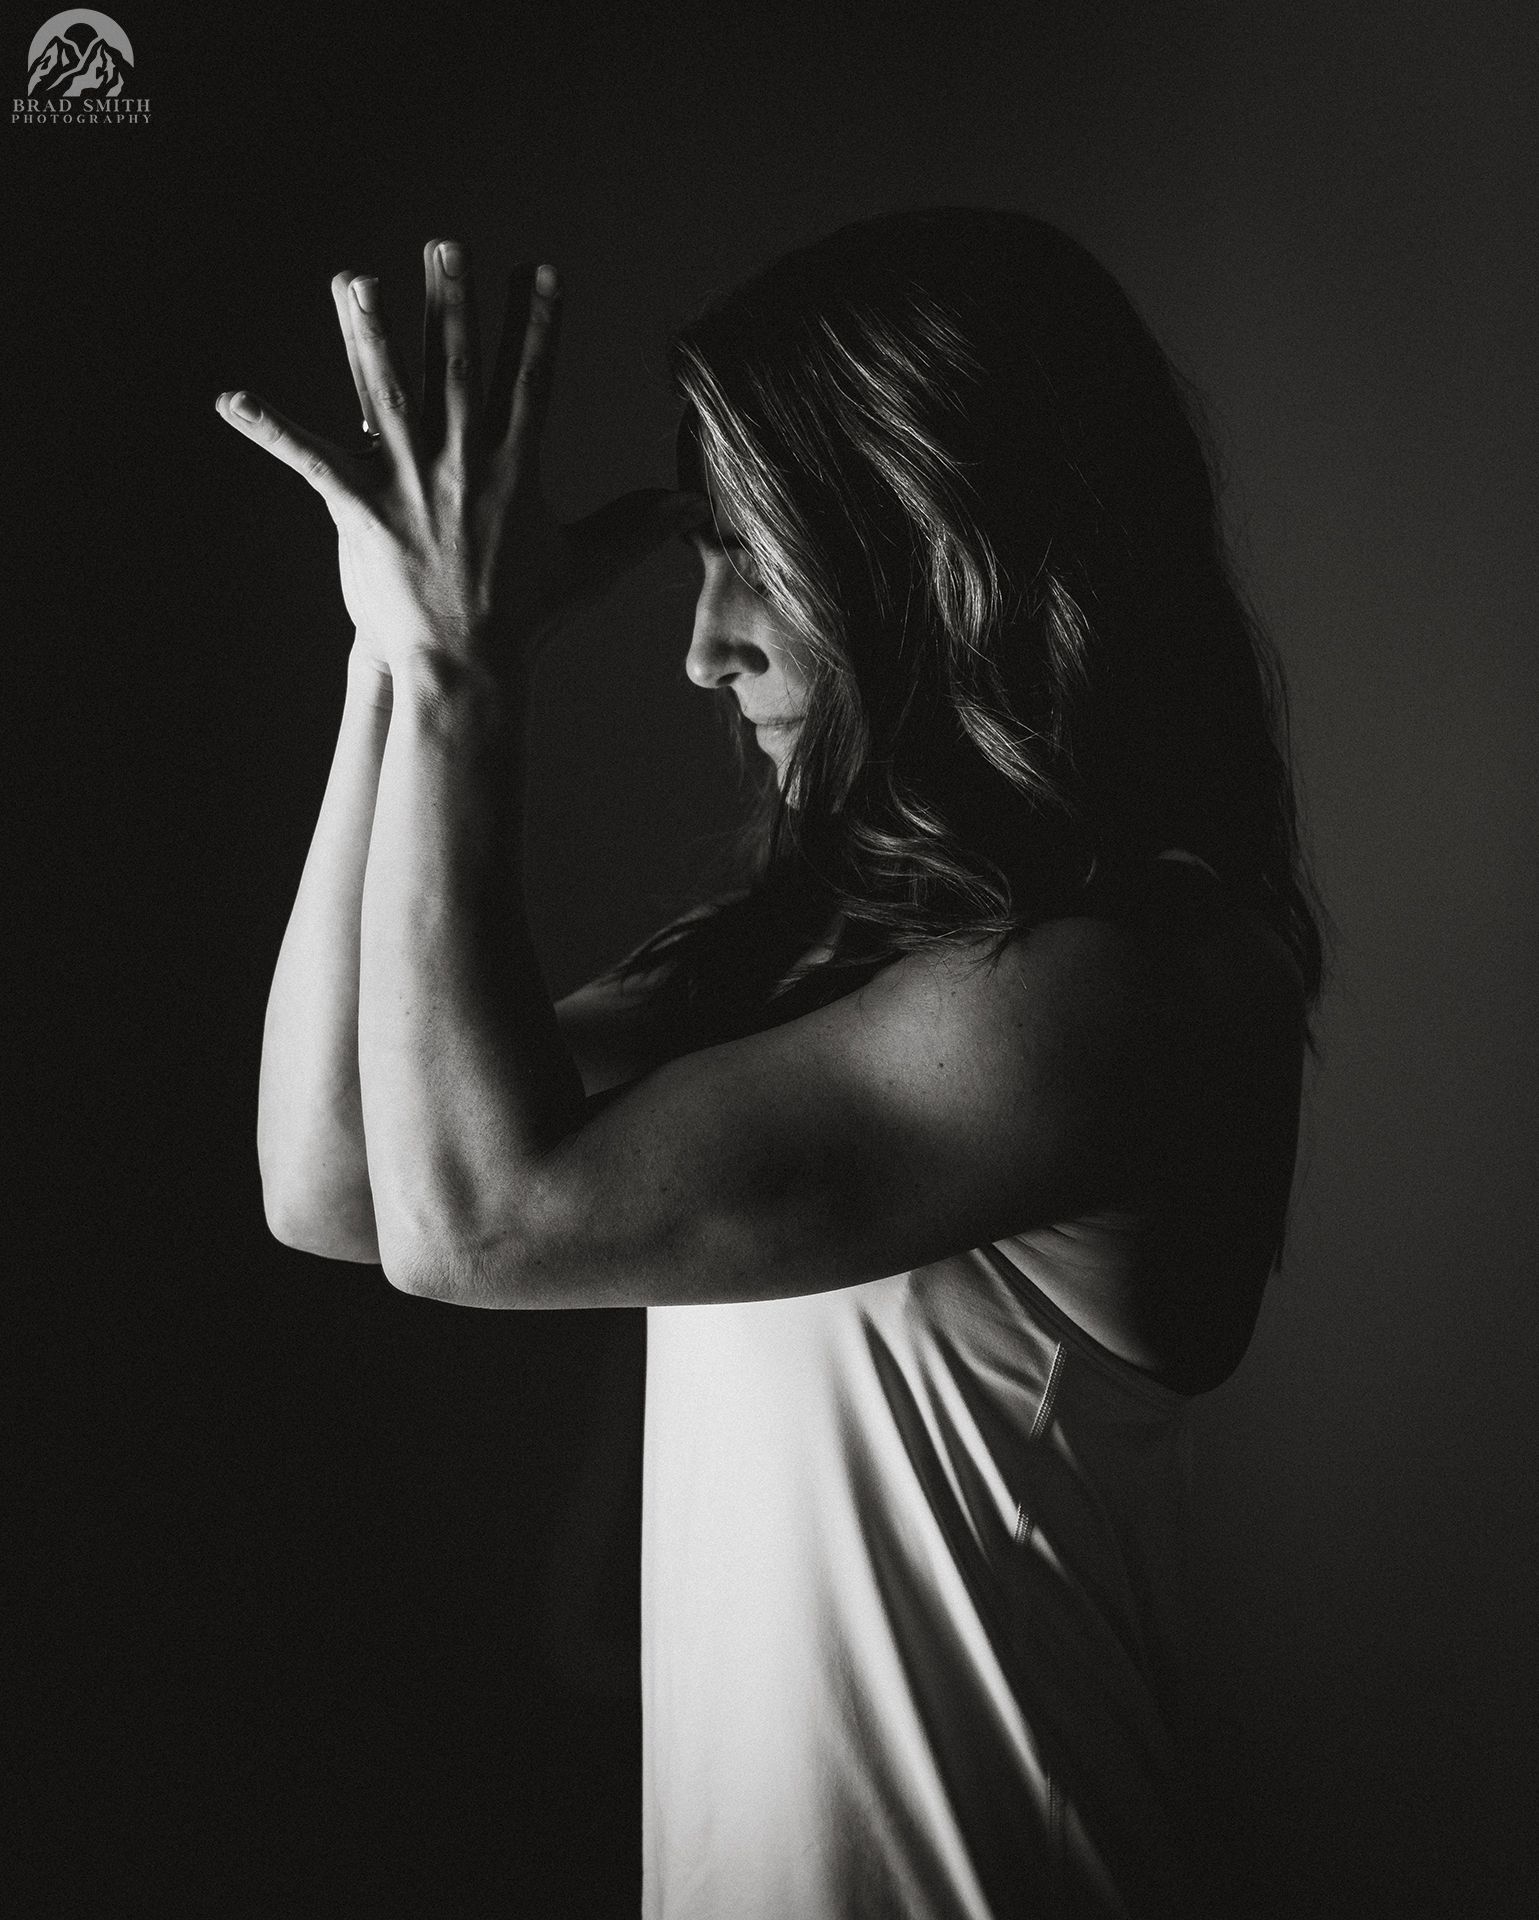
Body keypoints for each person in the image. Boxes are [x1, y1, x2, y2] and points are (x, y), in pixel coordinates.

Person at [222, 208, 1322, 1919]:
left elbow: (478, 1225)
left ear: (928, 544)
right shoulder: (815, 950)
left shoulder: (1114, 991)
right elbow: (343, 1179)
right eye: (702, 551)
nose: (702, 640)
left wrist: (464, 685)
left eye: (761, 550)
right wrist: (403, 645)